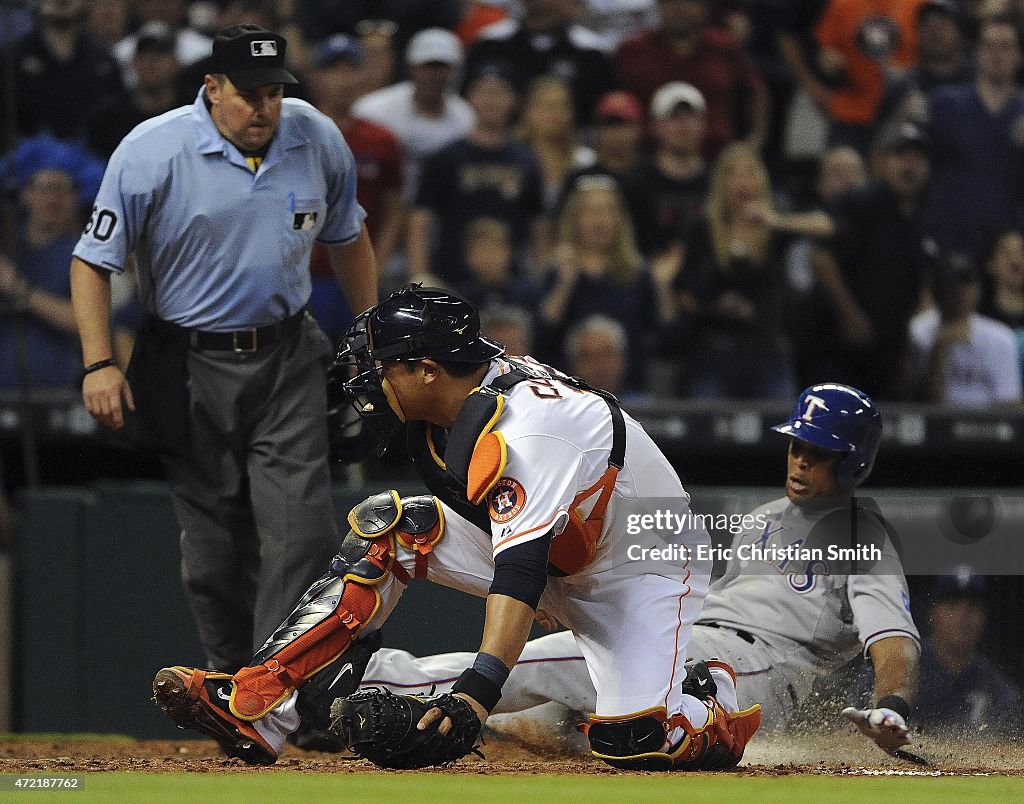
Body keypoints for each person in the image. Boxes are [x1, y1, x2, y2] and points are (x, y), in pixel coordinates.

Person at [153, 286, 762, 771]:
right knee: (394, 528)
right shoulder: (464, 382)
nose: (369, 380)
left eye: (382, 367)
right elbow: (512, 538)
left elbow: (520, 570)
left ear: (426, 371)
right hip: (565, 541)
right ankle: (257, 702)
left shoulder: (530, 431)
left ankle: (706, 695)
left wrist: (478, 690)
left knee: (639, 742)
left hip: (642, 566)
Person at [359, 382, 923, 759]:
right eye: (797, 445)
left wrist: (891, 705)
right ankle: (439, 701)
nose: (800, 459)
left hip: (757, 668)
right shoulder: (764, 518)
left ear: (853, 463)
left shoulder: (862, 533)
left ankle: (379, 676)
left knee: (552, 668)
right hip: (700, 641)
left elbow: (893, 638)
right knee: (549, 725)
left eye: (818, 452)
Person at [70, 25, 377, 678]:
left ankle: (281, 693)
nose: (264, 108)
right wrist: (99, 362)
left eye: (273, 93)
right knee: (212, 550)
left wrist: (369, 329)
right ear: (212, 88)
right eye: (248, 94)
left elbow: (349, 236)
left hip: (289, 353)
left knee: (303, 534)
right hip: (185, 361)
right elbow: (93, 261)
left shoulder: (316, 135)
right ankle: (230, 682)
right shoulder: (152, 151)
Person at [806, 121, 933, 399]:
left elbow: (923, 283)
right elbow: (820, 255)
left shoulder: (928, 217)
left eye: (918, 159)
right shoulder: (860, 202)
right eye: (901, 157)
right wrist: (850, 314)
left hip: (890, 353)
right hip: (840, 346)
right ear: (881, 162)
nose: (909, 167)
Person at [407, 62, 545, 284]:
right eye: (484, 92)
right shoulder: (446, 157)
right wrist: (419, 278)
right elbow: (420, 221)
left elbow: (538, 227)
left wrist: (540, 281)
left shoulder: (527, 161)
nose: (492, 100)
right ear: (470, 98)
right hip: (451, 279)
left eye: (500, 92)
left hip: (510, 283)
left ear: (514, 100)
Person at [0, 138, 104, 389]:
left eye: (63, 188)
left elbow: (87, 324)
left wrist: (21, 291)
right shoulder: (8, 248)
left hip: (58, 389)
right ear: (25, 192)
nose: (53, 198)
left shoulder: (86, 253)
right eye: (44, 187)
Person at [920, 15, 1024, 261]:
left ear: (1019, 55)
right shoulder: (943, 103)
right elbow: (899, 154)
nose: (996, 54)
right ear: (976, 53)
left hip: (1010, 247)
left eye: (1005, 46)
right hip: (951, 237)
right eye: (988, 46)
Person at [616, 0, 770, 159]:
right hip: (647, 157)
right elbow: (616, 100)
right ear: (659, 6)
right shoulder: (633, 50)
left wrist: (755, 140)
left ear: (704, 7)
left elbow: (756, 90)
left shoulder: (725, 48)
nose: (679, 8)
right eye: (670, 2)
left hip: (715, 155)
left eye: (688, 2)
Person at [351, 28, 475, 203]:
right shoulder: (372, 110)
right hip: (382, 203)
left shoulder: (466, 118)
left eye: (441, 68)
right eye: (427, 67)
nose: (434, 76)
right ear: (411, 67)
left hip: (440, 206)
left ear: (455, 71)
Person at [915, 566, 1022, 737]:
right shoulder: (903, 666)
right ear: (934, 613)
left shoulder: (997, 690)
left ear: (984, 618)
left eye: (974, 606)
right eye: (953, 604)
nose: (964, 615)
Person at [907, 254, 1022, 406]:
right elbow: (919, 405)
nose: (961, 294)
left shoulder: (1000, 337)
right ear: (937, 291)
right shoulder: (918, 331)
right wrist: (939, 351)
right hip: (936, 426)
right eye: (952, 287)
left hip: (987, 426)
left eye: (967, 285)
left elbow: (1010, 406)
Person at [2, 0, 125, 141]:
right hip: (29, 157)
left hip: (93, 155)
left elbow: (118, 116)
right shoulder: (13, 60)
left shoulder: (103, 60)